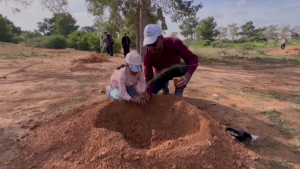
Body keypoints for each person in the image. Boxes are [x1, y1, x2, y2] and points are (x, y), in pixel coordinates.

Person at [143, 24, 199, 97]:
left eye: (153, 44)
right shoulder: (147, 56)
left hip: (176, 70)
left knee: (185, 66)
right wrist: (147, 94)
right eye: (148, 45)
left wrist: (187, 76)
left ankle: (179, 90)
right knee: (151, 90)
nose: (151, 48)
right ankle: (164, 85)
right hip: (161, 74)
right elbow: (148, 78)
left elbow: (193, 59)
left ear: (161, 38)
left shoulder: (174, 43)